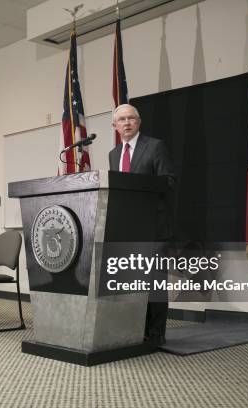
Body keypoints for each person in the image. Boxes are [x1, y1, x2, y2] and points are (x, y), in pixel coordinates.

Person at [109, 104, 175, 346]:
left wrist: (138, 189)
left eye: (131, 118)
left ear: (139, 122)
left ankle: (156, 333)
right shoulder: (114, 154)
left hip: (153, 227)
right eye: (122, 120)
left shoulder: (155, 146)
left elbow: (168, 180)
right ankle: (135, 329)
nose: (127, 123)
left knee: (154, 282)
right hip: (126, 229)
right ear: (115, 126)